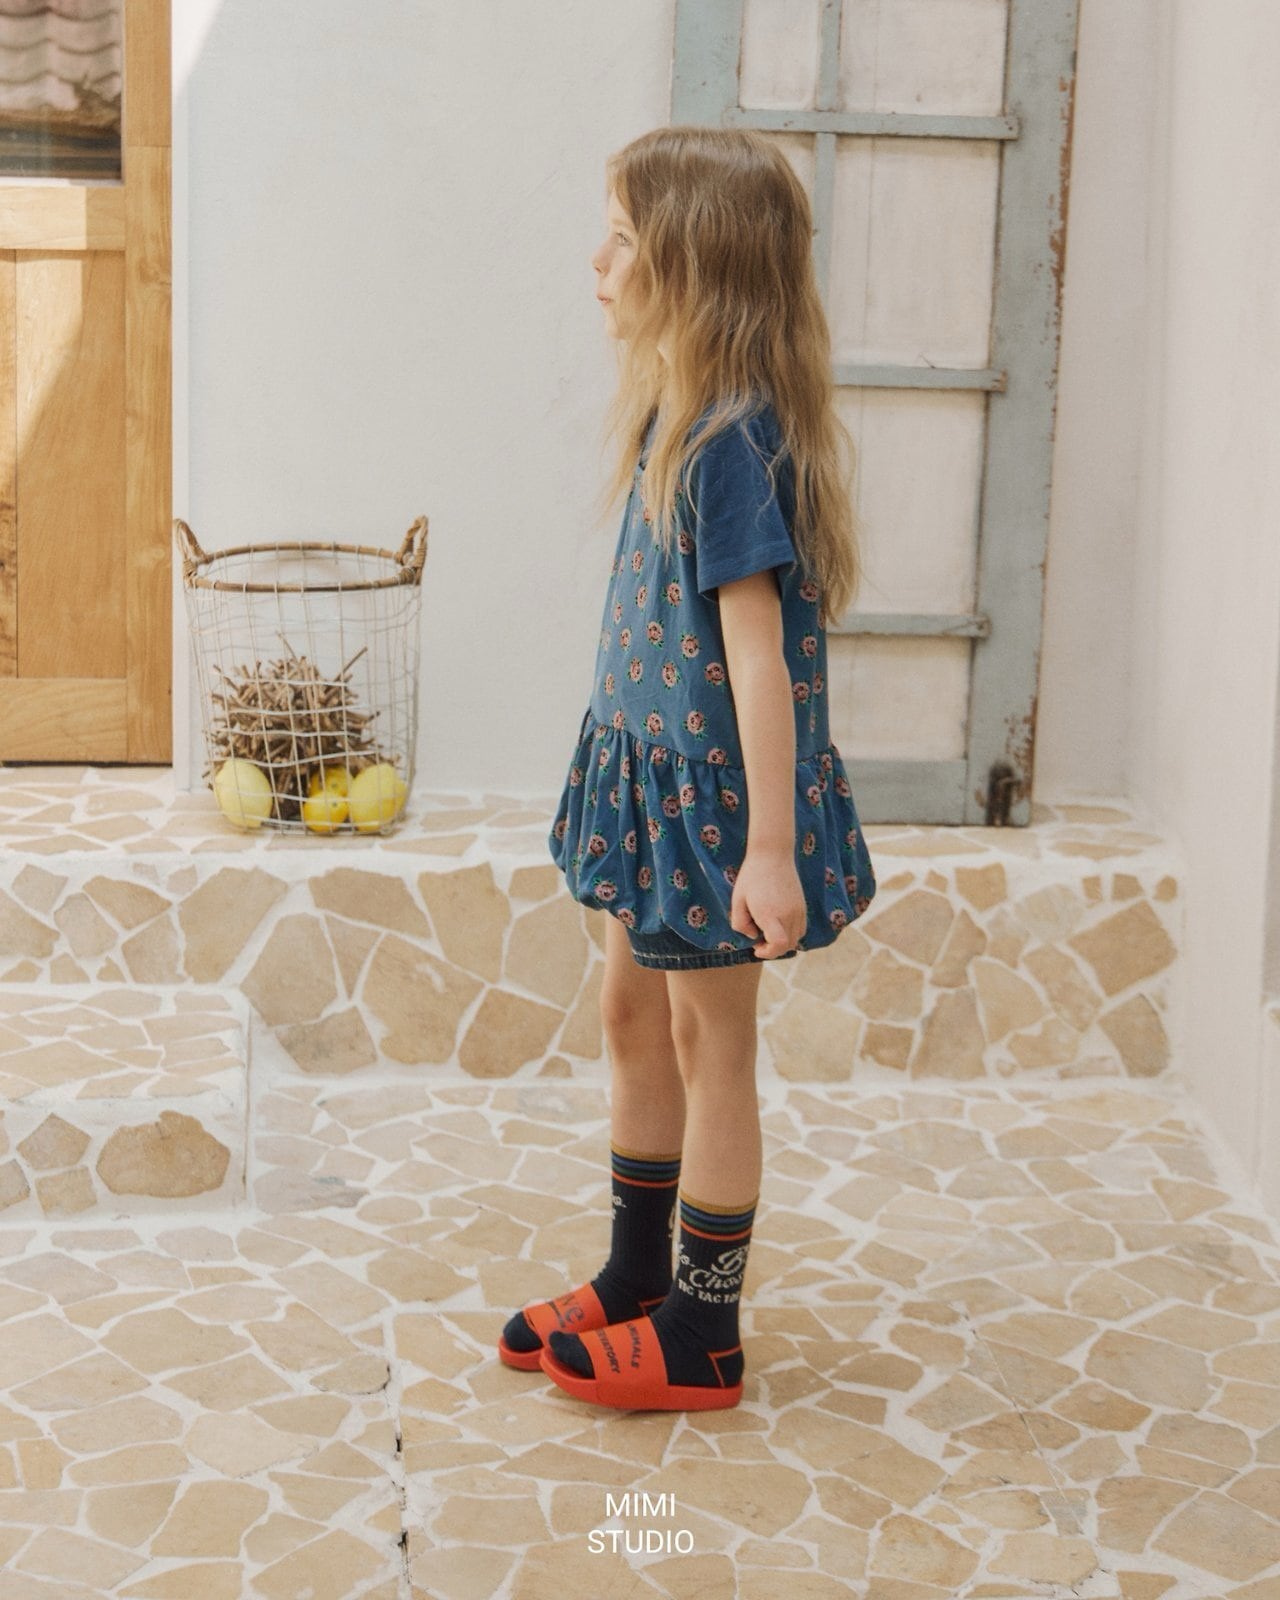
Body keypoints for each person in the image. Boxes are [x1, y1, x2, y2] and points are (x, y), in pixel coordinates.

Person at [497, 125, 878, 1411]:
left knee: (714, 1043)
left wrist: (766, 848)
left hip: (713, 811)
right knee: (630, 1016)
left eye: (621, 240)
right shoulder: (679, 415)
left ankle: (704, 1331)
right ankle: (633, 1275)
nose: (595, 262)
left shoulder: (728, 445)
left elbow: (757, 661)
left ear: (692, 270)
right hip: (652, 788)